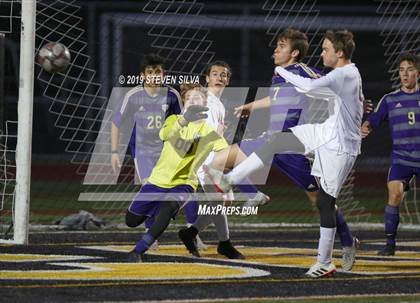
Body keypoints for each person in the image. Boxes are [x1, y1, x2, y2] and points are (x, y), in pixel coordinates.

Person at [205, 30, 364, 278]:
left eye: (280, 46)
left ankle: (345, 242)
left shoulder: (303, 71)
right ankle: (237, 189)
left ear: (295, 52)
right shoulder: (279, 76)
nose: (275, 51)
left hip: (297, 149)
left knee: (321, 200)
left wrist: (361, 103)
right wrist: (250, 106)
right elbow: (274, 98)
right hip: (274, 140)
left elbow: (324, 85)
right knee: (216, 161)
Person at [126, 84, 232, 261]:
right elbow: (165, 135)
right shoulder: (173, 119)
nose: (192, 101)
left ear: (205, 102)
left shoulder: (209, 131)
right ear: (183, 103)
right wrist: (185, 120)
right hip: (157, 181)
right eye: (188, 98)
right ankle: (157, 209)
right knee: (131, 221)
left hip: (185, 183)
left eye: (196, 98)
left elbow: (224, 156)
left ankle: (138, 250)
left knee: (168, 209)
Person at [179, 61, 268, 259]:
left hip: (210, 158)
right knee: (223, 199)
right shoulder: (203, 99)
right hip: (202, 159)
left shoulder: (217, 103)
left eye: (224, 75)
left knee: (222, 201)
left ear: (228, 80)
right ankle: (224, 242)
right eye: (215, 74)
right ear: (207, 78)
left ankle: (191, 232)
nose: (220, 77)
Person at [111, 53, 200, 248]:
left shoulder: (172, 95)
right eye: (150, 72)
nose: (154, 76)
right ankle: (151, 236)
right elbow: (116, 122)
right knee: (150, 191)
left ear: (164, 73)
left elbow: (181, 122)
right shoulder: (133, 96)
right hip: (142, 152)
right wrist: (114, 152)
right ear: (142, 75)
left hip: (167, 152)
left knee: (185, 188)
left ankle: (192, 231)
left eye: (158, 71)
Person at [361, 52, 420, 256]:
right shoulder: (390, 99)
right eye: (402, 70)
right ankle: (390, 245)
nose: (405, 74)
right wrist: (367, 125)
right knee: (394, 194)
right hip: (401, 159)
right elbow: (375, 117)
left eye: (410, 70)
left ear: (418, 73)